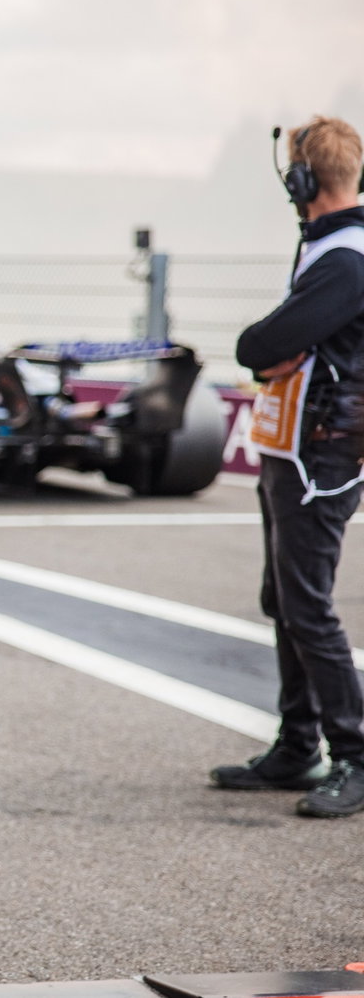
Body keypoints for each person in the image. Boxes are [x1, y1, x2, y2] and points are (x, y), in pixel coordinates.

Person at [212, 116, 364, 819]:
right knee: (284, 599)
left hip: (321, 453)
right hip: (295, 445)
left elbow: (259, 345)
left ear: (302, 181)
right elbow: (274, 349)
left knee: (306, 605)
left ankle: (354, 754)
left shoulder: (345, 260)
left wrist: (267, 351)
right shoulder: (328, 249)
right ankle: (298, 745)